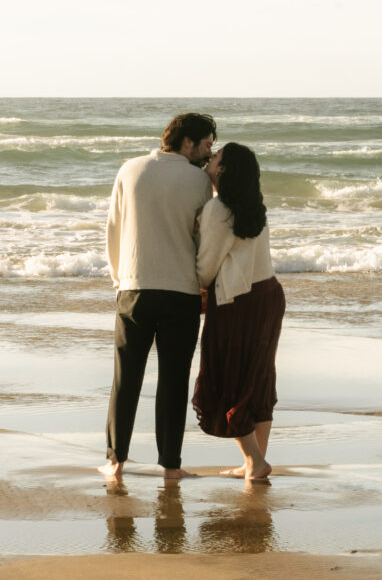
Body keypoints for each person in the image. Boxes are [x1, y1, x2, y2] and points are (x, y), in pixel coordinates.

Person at [99, 112, 217, 480]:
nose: (208, 153)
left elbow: (113, 229)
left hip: (134, 288)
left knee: (126, 378)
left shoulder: (129, 170)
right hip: (180, 291)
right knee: (173, 379)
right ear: (188, 143)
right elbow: (203, 238)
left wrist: (120, 280)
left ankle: (115, 461)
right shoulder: (198, 181)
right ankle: (170, 465)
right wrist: (203, 283)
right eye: (206, 145)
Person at [192, 143, 285, 481]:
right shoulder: (254, 205)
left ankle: (255, 462)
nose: (210, 158)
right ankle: (254, 462)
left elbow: (205, 269)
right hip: (269, 295)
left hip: (237, 301)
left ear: (225, 169)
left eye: (215, 157)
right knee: (257, 380)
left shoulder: (219, 209)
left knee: (229, 378)